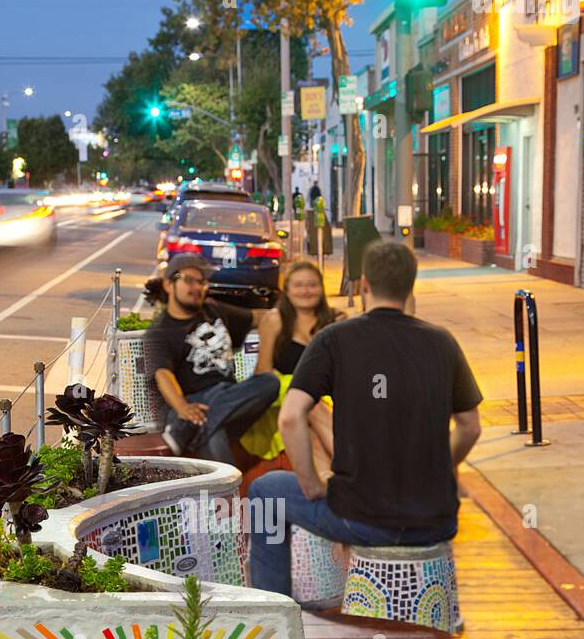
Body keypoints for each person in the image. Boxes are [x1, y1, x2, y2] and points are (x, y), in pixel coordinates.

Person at [248, 240, 483, 597]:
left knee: (266, 492)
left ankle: (275, 613)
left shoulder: (334, 340)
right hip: (435, 521)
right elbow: (470, 427)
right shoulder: (443, 342)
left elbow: (291, 418)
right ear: (411, 285)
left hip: (361, 518)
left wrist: (311, 482)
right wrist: (435, 470)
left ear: (364, 286)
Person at [146, 253, 279, 464]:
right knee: (213, 435)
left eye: (202, 281)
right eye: (189, 280)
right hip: (195, 400)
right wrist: (181, 407)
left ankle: (183, 431)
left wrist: (279, 319)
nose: (198, 287)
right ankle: (195, 426)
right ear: (169, 285)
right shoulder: (161, 331)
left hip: (230, 398)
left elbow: (261, 317)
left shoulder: (213, 310)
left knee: (269, 383)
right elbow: (163, 374)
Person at [239, 258, 340, 477]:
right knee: (306, 400)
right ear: (287, 289)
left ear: (321, 289)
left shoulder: (333, 320)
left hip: (325, 399)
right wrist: (300, 390)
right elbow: (263, 372)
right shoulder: (275, 320)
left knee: (311, 420)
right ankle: (353, 465)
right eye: (299, 285)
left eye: (312, 285)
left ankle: (327, 483)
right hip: (284, 398)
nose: (306, 290)